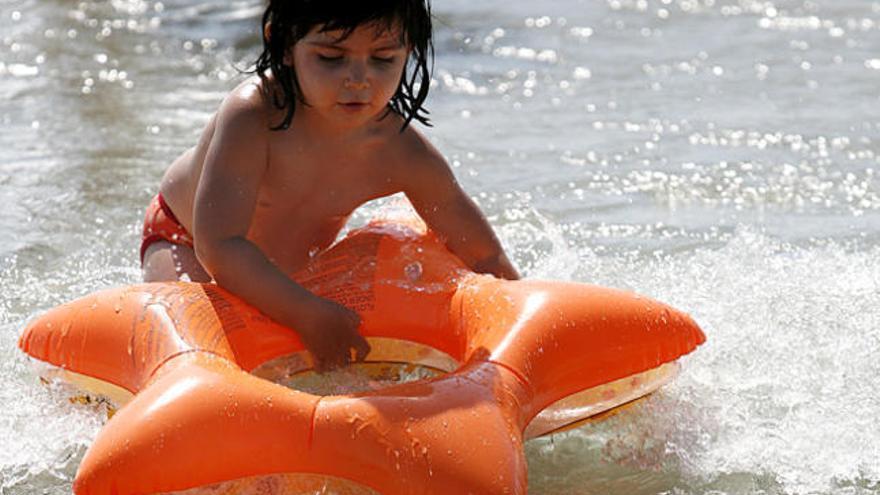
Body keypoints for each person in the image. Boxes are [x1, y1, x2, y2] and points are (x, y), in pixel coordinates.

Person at [140, 0, 519, 372]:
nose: (358, 78)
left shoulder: (400, 152)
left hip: (297, 271)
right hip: (187, 242)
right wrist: (308, 313)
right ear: (285, 44)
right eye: (331, 58)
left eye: (383, 59)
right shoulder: (253, 117)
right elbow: (219, 247)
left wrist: (518, 321)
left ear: (409, 51)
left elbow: (484, 257)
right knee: (197, 356)